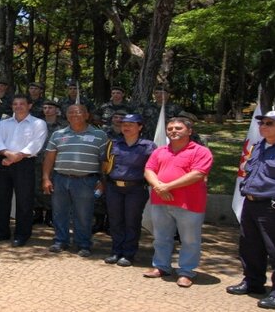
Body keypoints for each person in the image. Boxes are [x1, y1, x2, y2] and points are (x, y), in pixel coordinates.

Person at [143, 117, 213, 288]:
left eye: (178, 128)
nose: (173, 131)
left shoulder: (201, 151)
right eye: (170, 128)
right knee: (161, 237)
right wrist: (159, 187)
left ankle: (186, 272)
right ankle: (161, 266)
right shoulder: (160, 151)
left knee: (190, 239)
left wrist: (166, 186)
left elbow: (198, 174)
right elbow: (148, 170)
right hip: (160, 201)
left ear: (189, 131)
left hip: (189, 204)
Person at [226, 110, 275, 309]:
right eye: (262, 123)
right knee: (250, 246)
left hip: (273, 206)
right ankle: (253, 282)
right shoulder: (258, 146)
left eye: (270, 123)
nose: (263, 126)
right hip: (250, 203)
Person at [42, 104, 108, 257]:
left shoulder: (100, 135)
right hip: (60, 179)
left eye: (78, 112)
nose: (74, 115)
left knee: (84, 214)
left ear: (86, 115)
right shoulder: (58, 134)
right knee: (59, 212)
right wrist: (46, 178)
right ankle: (60, 241)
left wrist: (102, 180)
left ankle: (83, 244)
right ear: (66, 116)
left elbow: (104, 161)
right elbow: (49, 158)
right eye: (70, 112)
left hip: (87, 181)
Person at [0, 94, 48, 247]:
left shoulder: (38, 123)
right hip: (3, 161)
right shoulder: (3, 124)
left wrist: (18, 156)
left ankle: (22, 234)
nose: (18, 106)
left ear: (29, 106)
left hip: (25, 163)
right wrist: (9, 154)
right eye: (15, 104)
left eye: (22, 104)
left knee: (24, 200)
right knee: (1, 199)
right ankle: (2, 232)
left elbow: (36, 144)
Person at [103, 114, 156, 267]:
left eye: (131, 124)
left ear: (140, 127)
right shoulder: (113, 144)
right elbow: (105, 164)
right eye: (124, 124)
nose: (126, 127)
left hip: (136, 189)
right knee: (115, 221)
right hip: (114, 188)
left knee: (132, 221)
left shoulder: (148, 146)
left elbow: (153, 167)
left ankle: (129, 253)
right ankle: (116, 251)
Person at [33, 100, 67, 226]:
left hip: (56, 161)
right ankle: (37, 214)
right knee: (36, 187)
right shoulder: (37, 124)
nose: (47, 110)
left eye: (50, 107)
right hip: (37, 160)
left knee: (53, 188)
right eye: (45, 107)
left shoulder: (64, 126)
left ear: (57, 110)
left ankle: (50, 214)